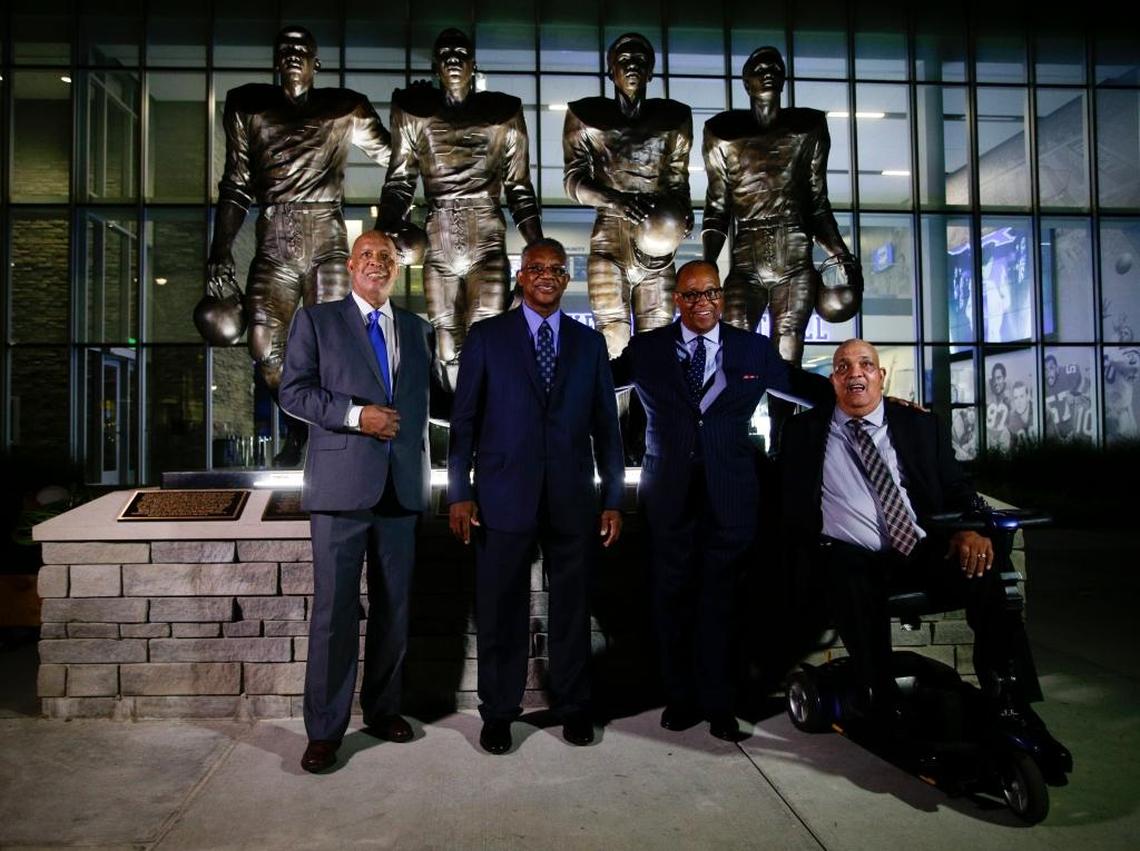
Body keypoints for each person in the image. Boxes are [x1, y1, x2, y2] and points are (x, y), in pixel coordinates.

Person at [610, 260, 831, 741]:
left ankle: (721, 704)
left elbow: (804, 389)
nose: (702, 303)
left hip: (732, 500)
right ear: (676, 300)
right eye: (691, 295)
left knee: (725, 604)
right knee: (672, 603)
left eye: (710, 293)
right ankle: (681, 699)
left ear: (721, 296)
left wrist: (875, 402)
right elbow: (593, 385)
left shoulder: (751, 349)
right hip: (668, 499)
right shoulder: (647, 351)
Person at [779, 339, 1044, 727]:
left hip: (919, 551)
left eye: (866, 365)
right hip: (851, 557)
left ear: (881, 377)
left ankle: (1008, 693)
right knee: (845, 574)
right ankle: (878, 695)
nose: (855, 373)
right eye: (843, 367)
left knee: (988, 567)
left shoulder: (920, 425)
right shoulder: (804, 431)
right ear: (833, 381)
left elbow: (957, 487)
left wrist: (969, 530)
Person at [447, 238, 624, 755]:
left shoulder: (588, 345)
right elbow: (465, 424)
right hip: (501, 498)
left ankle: (573, 706)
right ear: (521, 277)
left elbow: (606, 430)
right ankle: (499, 713)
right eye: (536, 268)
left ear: (565, 281)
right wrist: (460, 492)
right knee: (501, 609)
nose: (546, 276)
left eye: (556, 269)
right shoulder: (486, 337)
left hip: (573, 500)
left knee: (571, 610)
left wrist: (612, 496)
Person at [279, 231, 441, 773]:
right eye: (368, 255)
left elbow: (436, 403)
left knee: (395, 608)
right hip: (341, 489)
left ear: (398, 271)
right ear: (351, 265)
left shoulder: (419, 331)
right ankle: (324, 730)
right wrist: (355, 415)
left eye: (387, 259)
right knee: (335, 612)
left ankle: (383, 709)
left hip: (401, 489)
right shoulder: (317, 321)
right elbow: (293, 392)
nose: (377, 264)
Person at [205, 26, 392, 467]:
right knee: (266, 347)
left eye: (301, 49)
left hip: (327, 236)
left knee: (332, 344)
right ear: (276, 59)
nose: (293, 55)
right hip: (275, 234)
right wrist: (220, 248)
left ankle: (328, 434)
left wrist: (389, 223)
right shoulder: (248, 106)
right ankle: (299, 428)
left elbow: (399, 157)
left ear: (316, 62)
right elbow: (235, 184)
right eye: (285, 48)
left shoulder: (343, 108)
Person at [702, 46, 863, 450]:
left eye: (775, 66)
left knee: (787, 353)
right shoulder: (724, 135)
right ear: (745, 81)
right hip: (746, 256)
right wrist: (706, 266)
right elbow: (717, 208)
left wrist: (840, 252)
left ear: (785, 76)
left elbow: (817, 203)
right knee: (733, 353)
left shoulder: (806, 130)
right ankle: (729, 437)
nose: (768, 72)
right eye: (759, 67)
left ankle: (780, 443)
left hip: (794, 254)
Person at [377, 28, 543, 391]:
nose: (453, 57)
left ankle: (487, 428)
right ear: (436, 64)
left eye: (461, 51)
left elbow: (518, 186)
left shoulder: (503, 115)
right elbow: (400, 180)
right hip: (439, 235)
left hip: (485, 231)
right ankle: (461, 427)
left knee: (487, 337)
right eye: (445, 52)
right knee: (448, 345)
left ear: (473, 64)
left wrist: (536, 243)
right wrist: (387, 223)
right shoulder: (414, 115)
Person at [563, 32, 693, 358]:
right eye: (623, 60)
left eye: (639, 61)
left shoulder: (674, 120)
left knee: (658, 344)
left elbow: (678, 181)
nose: (631, 65)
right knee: (613, 337)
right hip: (610, 234)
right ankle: (614, 411)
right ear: (611, 71)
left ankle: (648, 411)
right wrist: (615, 200)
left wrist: (684, 213)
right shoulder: (586, 117)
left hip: (659, 237)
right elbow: (573, 180)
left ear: (650, 72)